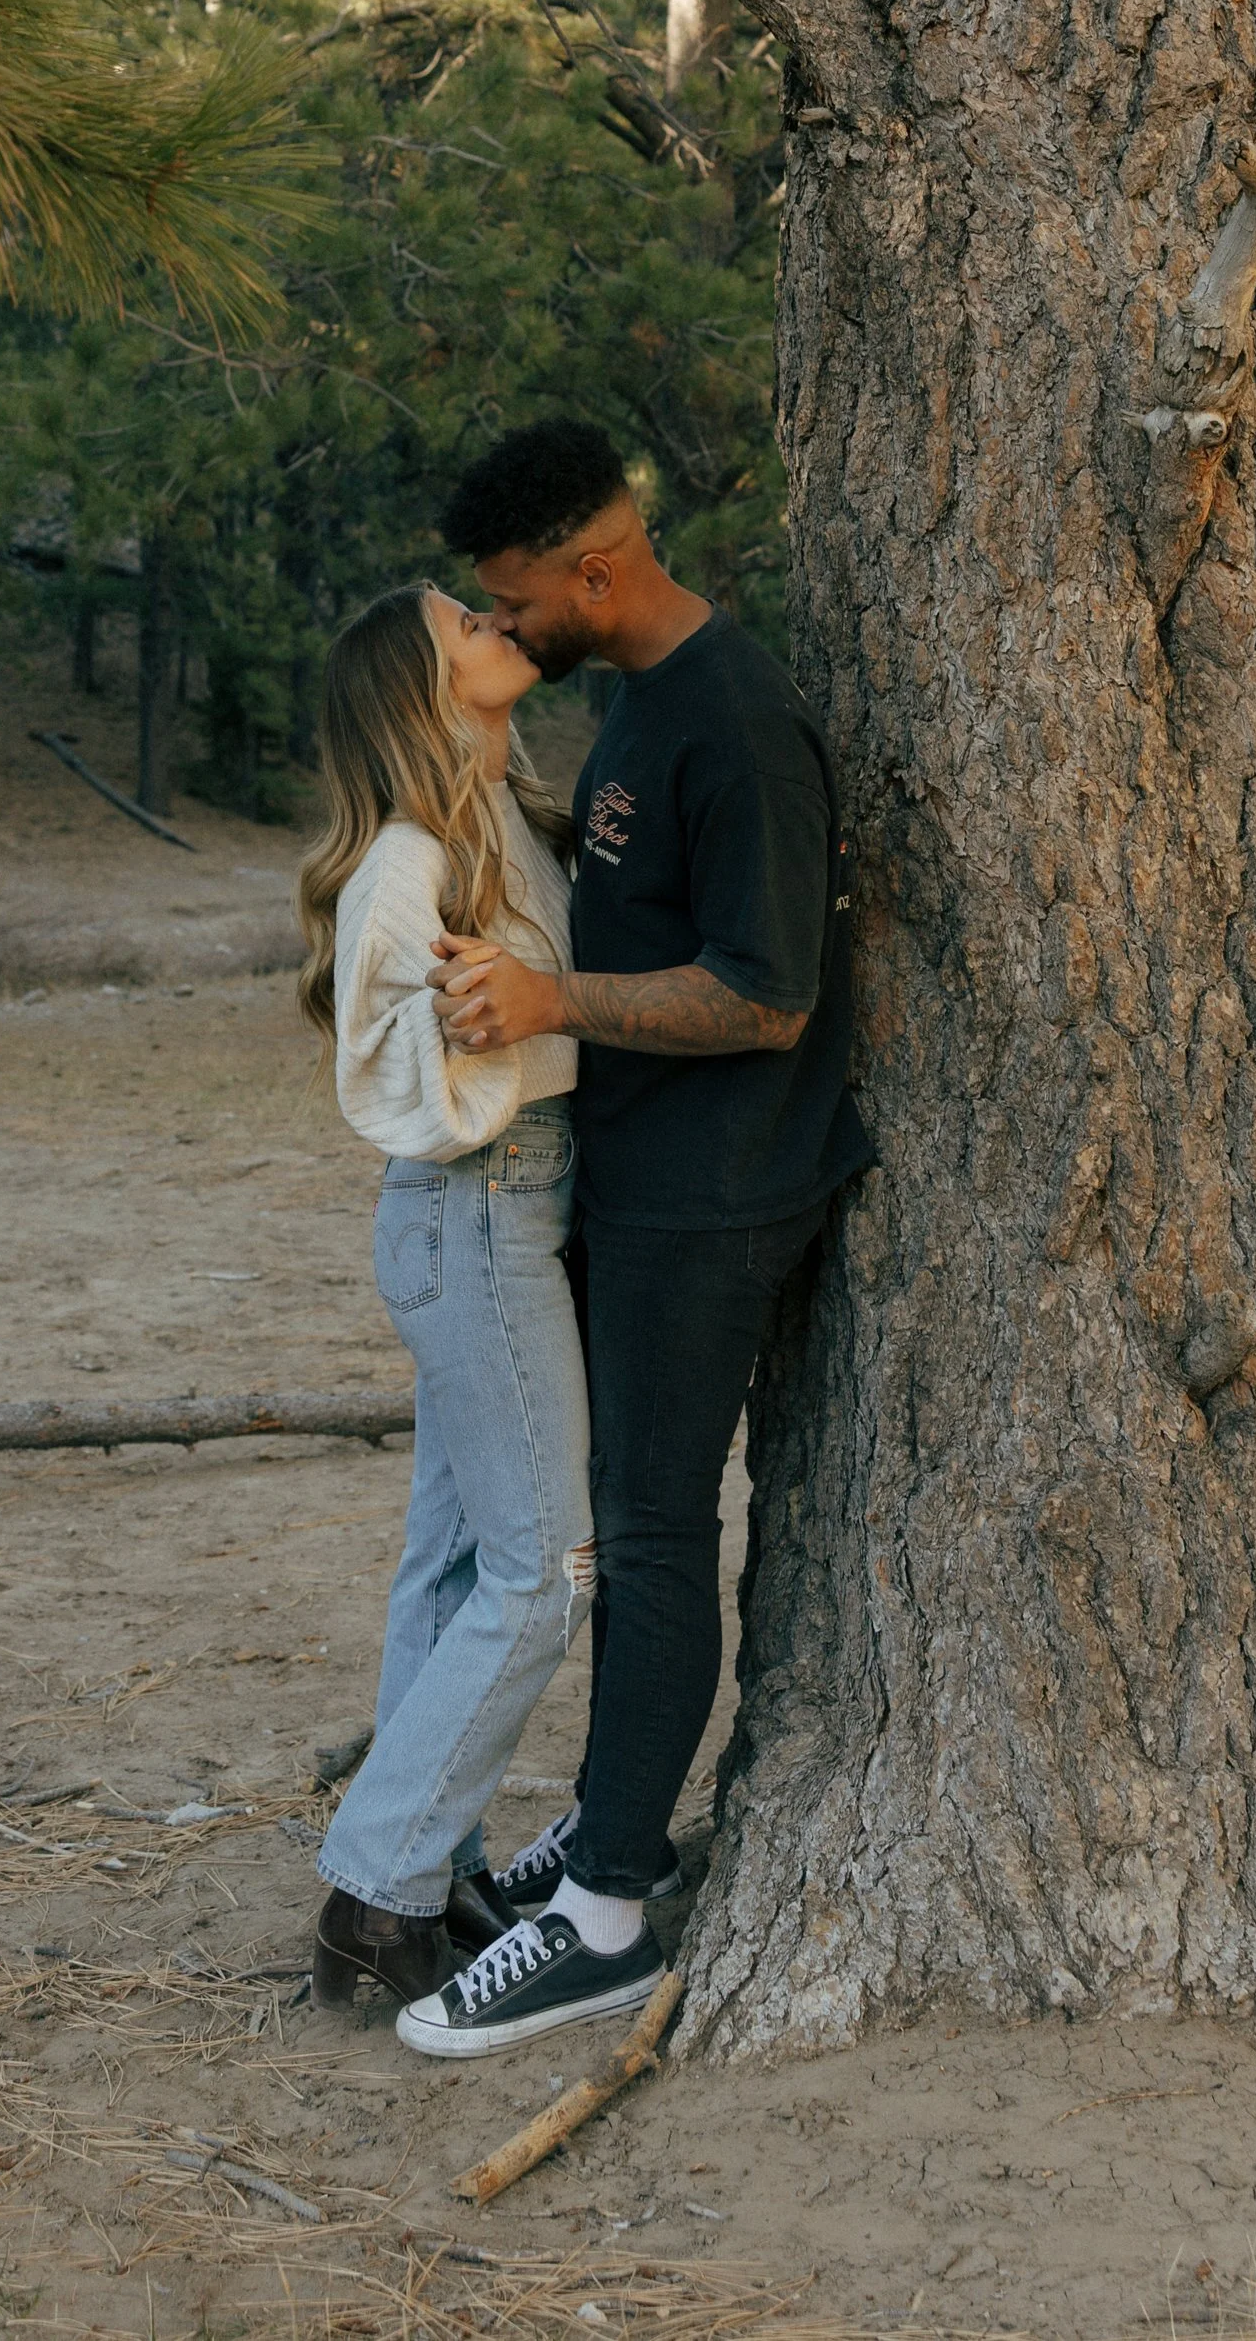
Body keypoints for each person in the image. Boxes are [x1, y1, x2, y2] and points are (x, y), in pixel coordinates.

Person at [394, 418, 866, 2062]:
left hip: (717, 1194)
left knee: (653, 1533)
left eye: (517, 600)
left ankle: (603, 1918)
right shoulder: (630, 704)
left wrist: (550, 999)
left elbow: (769, 988)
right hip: (636, 1177)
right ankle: (615, 1826)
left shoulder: (736, 724)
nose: (506, 625)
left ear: (596, 568)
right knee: (611, 1523)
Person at [295, 580, 597, 2017]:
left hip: (497, 1214)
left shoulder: (506, 827)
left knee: (462, 1563)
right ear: (428, 687)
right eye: (465, 623)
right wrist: (471, 1027)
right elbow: (392, 1060)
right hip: (477, 1208)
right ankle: (380, 1885)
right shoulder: (407, 862)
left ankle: (437, 1865)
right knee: (546, 1568)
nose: (497, 621)